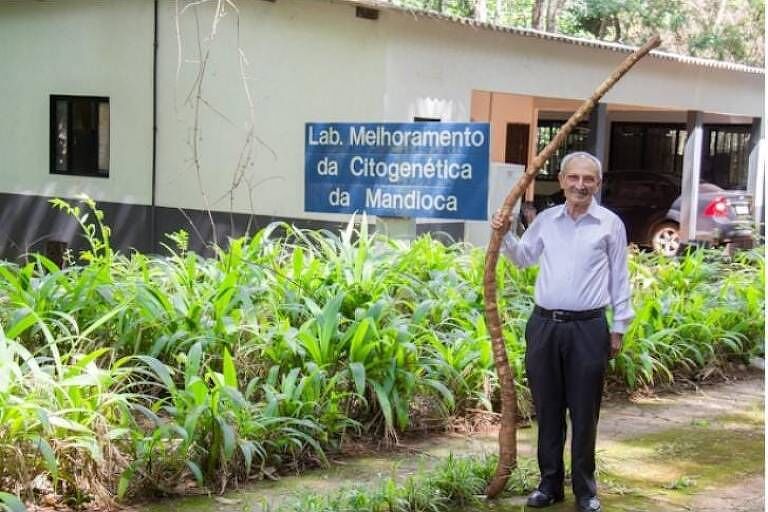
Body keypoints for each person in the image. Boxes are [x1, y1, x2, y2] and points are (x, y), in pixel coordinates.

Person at [491, 151, 634, 512]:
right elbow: (523, 257)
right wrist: (506, 233)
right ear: (562, 180)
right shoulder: (547, 220)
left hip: (588, 328)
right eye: (574, 178)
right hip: (544, 327)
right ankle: (549, 484)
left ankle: (585, 490)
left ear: (597, 184)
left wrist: (618, 327)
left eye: (588, 179)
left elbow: (619, 278)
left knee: (585, 413)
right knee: (548, 410)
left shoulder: (609, 224)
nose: (580, 185)